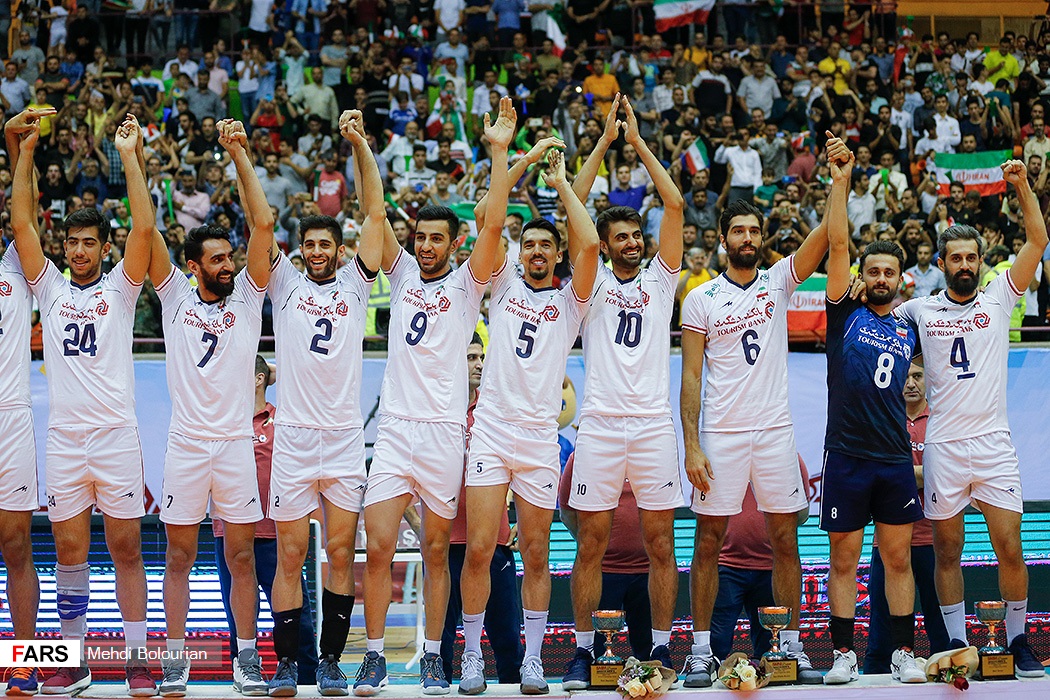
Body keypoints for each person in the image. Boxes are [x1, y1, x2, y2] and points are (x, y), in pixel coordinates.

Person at [353, 97, 514, 697]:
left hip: (445, 433)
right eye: (419, 238)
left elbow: (493, 225)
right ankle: (373, 657)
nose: (424, 247)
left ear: (453, 243)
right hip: (396, 429)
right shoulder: (399, 273)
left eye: (435, 240)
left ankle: (430, 657)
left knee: (438, 552)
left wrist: (498, 153)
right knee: (379, 549)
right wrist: (362, 147)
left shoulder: (470, 285)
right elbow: (373, 213)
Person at [678, 131, 850, 688]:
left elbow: (825, 237)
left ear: (762, 237)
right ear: (723, 239)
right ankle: (700, 651)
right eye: (738, 231)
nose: (747, 238)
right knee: (708, 541)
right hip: (722, 433)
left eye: (754, 231)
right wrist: (693, 444)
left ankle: (789, 648)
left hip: (773, 431)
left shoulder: (778, 280)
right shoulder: (700, 298)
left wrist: (839, 181)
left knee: (786, 540)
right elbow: (691, 377)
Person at [119, 116, 276, 696]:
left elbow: (264, 224)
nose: (228, 265)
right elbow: (144, 227)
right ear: (194, 266)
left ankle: (246, 659)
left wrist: (239, 153)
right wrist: (133, 157)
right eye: (216, 259)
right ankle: (176, 659)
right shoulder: (174, 296)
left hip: (234, 445)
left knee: (241, 558)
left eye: (229, 257)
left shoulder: (249, 298)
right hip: (186, 445)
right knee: (178, 557)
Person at [8, 107, 155, 696]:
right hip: (65, 438)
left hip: (115, 435)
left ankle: (139, 660)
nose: (77, 251)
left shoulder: (121, 288)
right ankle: (71, 661)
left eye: (88, 243)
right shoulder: (49, 287)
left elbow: (144, 229)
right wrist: (25, 150)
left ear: (103, 248)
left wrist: (129, 157)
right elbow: (22, 223)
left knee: (125, 548)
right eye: (70, 242)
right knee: (68, 552)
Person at [894, 160, 1048, 677]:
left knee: (1010, 547)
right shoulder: (919, 310)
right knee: (947, 550)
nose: (964, 264)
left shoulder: (1000, 296)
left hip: (992, 442)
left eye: (971, 257)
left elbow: (1037, 240)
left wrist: (1022, 187)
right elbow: (878, 317)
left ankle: (1018, 639)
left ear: (982, 262)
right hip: (944, 445)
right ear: (941, 262)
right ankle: (959, 644)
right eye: (956, 257)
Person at [457, 137, 599, 694]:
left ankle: (534, 660)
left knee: (537, 553)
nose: (537, 251)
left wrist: (560, 184)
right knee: (479, 549)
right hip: (491, 430)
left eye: (546, 245)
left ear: (557, 256)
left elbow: (591, 244)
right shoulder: (503, 282)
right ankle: (473, 657)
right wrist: (514, 156)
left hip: (540, 438)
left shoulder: (571, 302)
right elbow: (487, 218)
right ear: (521, 253)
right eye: (530, 244)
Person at [560, 94, 684, 687]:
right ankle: (584, 650)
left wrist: (636, 142)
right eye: (622, 237)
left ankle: (660, 647)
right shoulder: (590, 283)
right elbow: (574, 209)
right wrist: (604, 143)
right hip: (603, 425)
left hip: (653, 425)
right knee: (592, 543)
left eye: (637, 235)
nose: (633, 242)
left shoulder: (661, 280)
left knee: (662, 543)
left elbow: (675, 203)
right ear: (605, 245)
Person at [265, 110, 389, 696]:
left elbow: (376, 214)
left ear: (340, 252)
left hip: (341, 438)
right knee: (291, 555)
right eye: (309, 244)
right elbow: (259, 223)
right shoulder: (283, 283)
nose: (317, 251)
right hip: (293, 437)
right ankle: (288, 664)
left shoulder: (356, 284)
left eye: (325, 245)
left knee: (341, 552)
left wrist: (360, 145)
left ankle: (332, 661)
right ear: (299, 251)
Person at [819, 146, 925, 685]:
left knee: (897, 559)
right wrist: (841, 181)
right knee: (843, 560)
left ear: (901, 278)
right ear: (862, 275)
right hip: (846, 454)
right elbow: (837, 243)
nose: (880, 277)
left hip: (893, 456)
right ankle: (843, 654)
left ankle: (904, 653)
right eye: (873, 270)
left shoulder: (909, 326)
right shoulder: (845, 311)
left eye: (889, 271)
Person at [213, 356, 319, 687]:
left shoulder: (282, 419)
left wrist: (266, 369)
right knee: (238, 616)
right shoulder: (220, 420)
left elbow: (305, 372)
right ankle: (245, 676)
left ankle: (306, 681)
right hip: (230, 533)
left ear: (259, 379)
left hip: (276, 533)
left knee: (296, 617)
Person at [440, 334, 524, 686]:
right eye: (471, 357)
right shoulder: (437, 413)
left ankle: (513, 690)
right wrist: (420, 526)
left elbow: (518, 463)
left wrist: (517, 520)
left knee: (507, 641)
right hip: (445, 545)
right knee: (442, 645)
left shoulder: (494, 411)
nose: (478, 364)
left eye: (481, 357)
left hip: (493, 543)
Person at [865, 362, 951, 674]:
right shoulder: (882, 418)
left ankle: (949, 680)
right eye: (905, 377)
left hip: (932, 539)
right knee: (881, 628)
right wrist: (922, 474)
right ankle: (874, 683)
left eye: (917, 376)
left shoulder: (942, 420)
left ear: (929, 379)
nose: (911, 384)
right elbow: (876, 473)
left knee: (940, 627)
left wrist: (901, 473)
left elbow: (947, 474)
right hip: (887, 541)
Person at [0, 114, 42, 697]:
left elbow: (24, 214)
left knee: (16, 546)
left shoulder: (14, 267)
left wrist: (19, 147)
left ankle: (24, 663)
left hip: (11, 416)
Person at [710, 458, 810, 661]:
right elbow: (704, 510)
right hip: (727, 564)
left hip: (773, 568)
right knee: (716, 642)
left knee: (770, 647)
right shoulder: (720, 455)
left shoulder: (788, 457)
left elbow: (801, 513)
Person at [559, 453, 653, 662]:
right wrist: (594, 546)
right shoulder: (581, 456)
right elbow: (566, 512)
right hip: (602, 573)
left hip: (649, 572)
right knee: (597, 658)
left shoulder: (652, 452)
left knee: (650, 656)